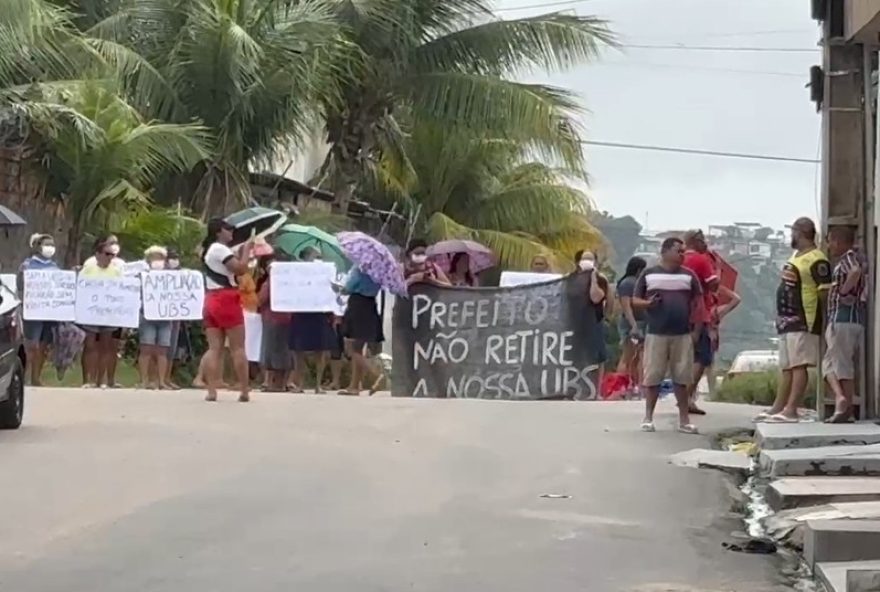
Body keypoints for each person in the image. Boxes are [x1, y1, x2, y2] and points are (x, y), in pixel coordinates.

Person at [757, 217, 831, 422]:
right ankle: (778, 407)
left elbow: (824, 292)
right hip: (786, 319)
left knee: (799, 365)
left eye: (793, 232)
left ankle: (791, 409)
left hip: (803, 319)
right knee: (787, 366)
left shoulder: (817, 259)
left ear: (801, 232)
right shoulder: (796, 255)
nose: (791, 236)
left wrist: (823, 320)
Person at [632, 237, 703, 434]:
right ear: (665, 252)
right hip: (656, 332)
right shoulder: (648, 274)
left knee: (682, 378)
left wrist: (697, 330)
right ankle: (648, 417)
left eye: (683, 251)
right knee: (653, 376)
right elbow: (635, 300)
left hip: (682, 333)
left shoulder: (689, 276)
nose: (682, 255)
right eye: (678, 251)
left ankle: (684, 420)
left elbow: (699, 304)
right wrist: (648, 304)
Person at [201, 218, 253, 403]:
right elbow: (240, 269)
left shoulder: (209, 250)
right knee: (237, 347)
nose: (231, 232)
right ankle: (244, 390)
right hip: (226, 298)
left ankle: (211, 390)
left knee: (214, 348)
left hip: (211, 298)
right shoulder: (220, 249)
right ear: (218, 232)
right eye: (227, 229)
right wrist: (246, 251)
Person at [822, 226, 864, 423]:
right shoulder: (853, 258)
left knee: (841, 364)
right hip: (845, 319)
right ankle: (843, 401)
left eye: (830, 241)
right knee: (830, 364)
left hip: (843, 318)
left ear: (838, 241)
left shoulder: (848, 258)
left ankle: (844, 405)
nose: (829, 246)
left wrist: (844, 291)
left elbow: (854, 273)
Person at [681, 229, 719, 416]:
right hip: (699, 312)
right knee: (703, 355)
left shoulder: (678, 260)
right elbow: (713, 284)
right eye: (702, 240)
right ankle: (686, 397)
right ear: (695, 241)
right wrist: (716, 270)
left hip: (678, 312)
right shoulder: (700, 260)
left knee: (683, 356)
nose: (705, 243)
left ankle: (685, 396)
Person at [80, 237, 125, 388]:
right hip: (91, 314)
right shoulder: (88, 269)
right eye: (106, 254)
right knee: (90, 345)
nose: (109, 258)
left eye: (112, 255)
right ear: (98, 254)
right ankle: (88, 380)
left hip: (109, 315)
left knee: (106, 346)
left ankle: (101, 380)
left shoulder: (117, 271)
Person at [288, 247, 334, 393]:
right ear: (306, 257)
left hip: (318, 313)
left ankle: (317, 385)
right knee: (298, 350)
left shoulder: (323, 274)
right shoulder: (296, 273)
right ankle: (299, 383)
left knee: (320, 350)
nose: (318, 259)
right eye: (315, 256)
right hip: (301, 312)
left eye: (319, 257)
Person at [18, 233, 58, 386]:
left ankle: (36, 378)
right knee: (31, 345)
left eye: (52, 245)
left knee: (43, 345)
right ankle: (24, 377)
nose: (50, 248)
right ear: (38, 247)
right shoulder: (27, 265)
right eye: (46, 244)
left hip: (49, 313)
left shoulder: (55, 267)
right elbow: (20, 286)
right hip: (32, 311)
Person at [338, 264, 383, 396]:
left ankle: (377, 374)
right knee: (359, 347)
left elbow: (348, 287)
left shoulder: (359, 269)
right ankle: (354, 385)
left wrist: (341, 289)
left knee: (351, 348)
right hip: (370, 304)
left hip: (358, 304)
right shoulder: (378, 270)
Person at [136, 246, 176, 389]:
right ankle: (144, 381)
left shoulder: (171, 276)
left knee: (163, 350)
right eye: (153, 257)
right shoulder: (141, 275)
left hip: (165, 317)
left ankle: (161, 381)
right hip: (147, 315)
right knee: (146, 348)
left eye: (159, 257)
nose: (157, 260)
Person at [257, 252, 293, 392]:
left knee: (272, 350)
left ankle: (276, 384)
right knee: (283, 350)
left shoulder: (271, 282)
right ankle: (281, 383)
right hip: (288, 318)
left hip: (272, 318)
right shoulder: (290, 282)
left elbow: (260, 300)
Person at [575, 249, 610, 383]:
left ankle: (596, 389)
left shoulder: (601, 279)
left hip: (594, 320)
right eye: (584, 259)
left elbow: (596, 298)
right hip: (576, 321)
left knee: (598, 356)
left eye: (590, 259)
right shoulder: (571, 279)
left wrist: (593, 278)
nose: (587, 262)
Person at [615, 256, 648, 394]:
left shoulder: (629, 283)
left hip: (639, 322)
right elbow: (626, 306)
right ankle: (620, 385)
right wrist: (633, 325)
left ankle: (632, 385)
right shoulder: (628, 284)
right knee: (629, 356)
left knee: (636, 356)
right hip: (634, 323)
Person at [163, 249, 183, 389]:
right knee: (159, 347)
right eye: (172, 257)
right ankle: (155, 378)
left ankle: (167, 377)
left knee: (172, 348)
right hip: (160, 314)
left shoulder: (182, 274)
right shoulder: (157, 274)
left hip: (176, 315)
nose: (174, 260)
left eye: (176, 257)